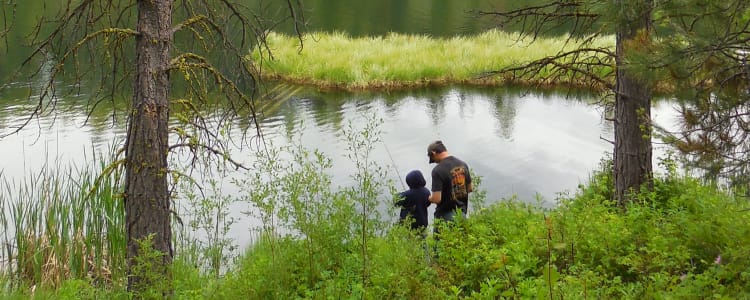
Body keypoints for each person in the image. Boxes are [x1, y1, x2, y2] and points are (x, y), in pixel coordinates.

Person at [427, 140, 472, 222]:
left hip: (445, 216)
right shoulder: (463, 164)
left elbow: (437, 199)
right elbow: (470, 189)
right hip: (462, 213)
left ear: (433, 153)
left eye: (434, 160)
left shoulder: (437, 170)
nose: (436, 163)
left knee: (441, 235)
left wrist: (430, 198)